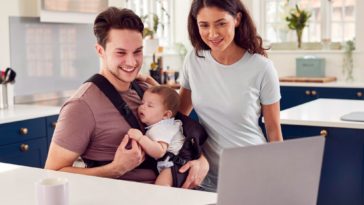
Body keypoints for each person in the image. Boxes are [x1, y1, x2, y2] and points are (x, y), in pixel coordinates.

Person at [45, 7, 207, 188]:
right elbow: (51, 172)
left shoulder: (145, 90)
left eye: (137, 52)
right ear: (100, 51)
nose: (131, 62)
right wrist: (115, 169)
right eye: (121, 53)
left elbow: (176, 132)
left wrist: (201, 161)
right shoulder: (81, 106)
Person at [180, 0, 283, 192]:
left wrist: (278, 176)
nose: (212, 34)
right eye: (204, 25)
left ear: (237, 19)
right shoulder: (193, 60)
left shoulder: (261, 67)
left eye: (221, 23)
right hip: (206, 177)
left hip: (253, 173)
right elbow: (180, 115)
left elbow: (273, 129)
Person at [127, 85, 184, 186]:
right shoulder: (160, 124)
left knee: (160, 189)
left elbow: (159, 152)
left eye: (150, 106)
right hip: (170, 163)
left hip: (174, 165)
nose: (142, 107)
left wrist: (140, 138)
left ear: (166, 115)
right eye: (142, 103)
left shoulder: (164, 127)